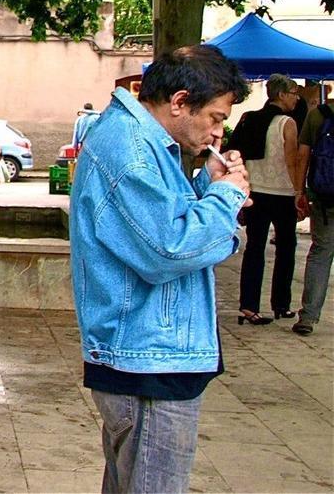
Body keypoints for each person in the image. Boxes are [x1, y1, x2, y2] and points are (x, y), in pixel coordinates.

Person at [70, 44, 250, 494]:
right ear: (179, 102)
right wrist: (226, 199)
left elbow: (162, 225)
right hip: (147, 361)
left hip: (150, 356)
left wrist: (210, 184)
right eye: (215, 117)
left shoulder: (145, 145)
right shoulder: (129, 149)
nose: (216, 131)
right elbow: (168, 249)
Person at [234, 74, 304, 325]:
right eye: (294, 93)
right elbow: (292, 159)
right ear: (282, 95)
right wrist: (299, 192)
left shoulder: (248, 118)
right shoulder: (287, 123)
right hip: (281, 192)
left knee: (255, 248)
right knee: (286, 248)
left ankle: (249, 306)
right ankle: (280, 304)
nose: (297, 98)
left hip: (256, 192)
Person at [293, 98, 334, 336]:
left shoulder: (319, 114)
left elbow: (303, 154)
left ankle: (308, 316)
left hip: (324, 195)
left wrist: (299, 191)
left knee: (321, 253)